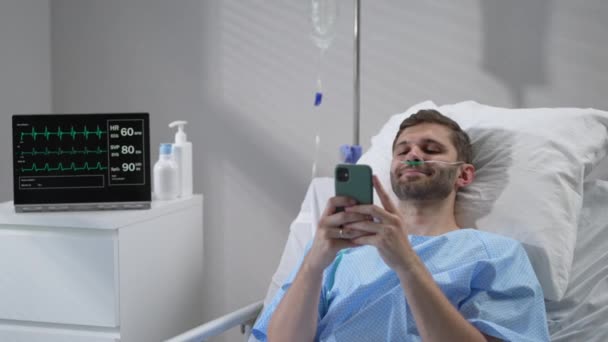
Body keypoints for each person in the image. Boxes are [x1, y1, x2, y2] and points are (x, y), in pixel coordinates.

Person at [252, 109, 550, 341]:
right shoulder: (339, 248)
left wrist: (407, 264)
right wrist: (313, 266)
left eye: (431, 149)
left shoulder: (496, 255)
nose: (414, 155)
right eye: (402, 150)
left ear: (464, 175)